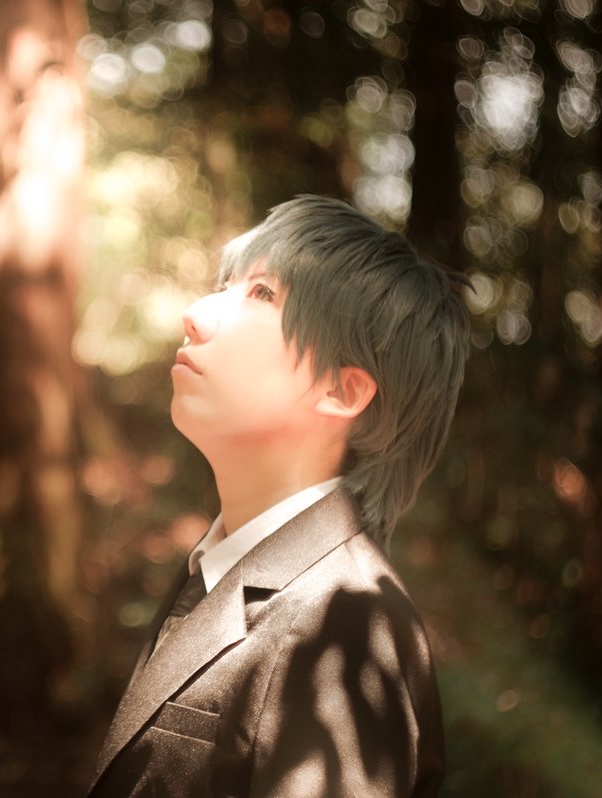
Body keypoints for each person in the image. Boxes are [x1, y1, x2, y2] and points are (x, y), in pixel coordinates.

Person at [87, 195, 468, 797]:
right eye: (226, 286)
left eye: (262, 294)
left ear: (342, 391)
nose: (196, 314)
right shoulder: (224, 565)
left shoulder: (347, 619)